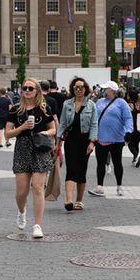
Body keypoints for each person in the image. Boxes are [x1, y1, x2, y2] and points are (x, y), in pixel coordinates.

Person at [5, 79, 56, 238]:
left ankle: (37, 225)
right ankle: (22, 211)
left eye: (30, 88)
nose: (27, 90)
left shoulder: (44, 108)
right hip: (22, 148)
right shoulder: (16, 109)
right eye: (25, 88)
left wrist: (44, 133)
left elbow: (53, 129)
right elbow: (8, 133)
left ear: (37, 91)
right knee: (22, 192)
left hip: (40, 148)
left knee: (37, 187)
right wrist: (21, 127)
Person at [54, 77, 97, 211]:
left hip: (85, 141)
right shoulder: (67, 104)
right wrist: (57, 143)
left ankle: (79, 200)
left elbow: (94, 125)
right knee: (71, 168)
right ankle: (69, 200)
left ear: (85, 89)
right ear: (72, 89)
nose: (78, 90)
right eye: (75, 87)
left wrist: (92, 142)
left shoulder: (91, 105)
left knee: (82, 170)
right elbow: (62, 123)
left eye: (81, 87)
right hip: (71, 140)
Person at [88, 80, 133, 197]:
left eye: (105, 89)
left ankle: (119, 186)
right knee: (100, 162)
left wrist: (128, 131)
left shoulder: (121, 103)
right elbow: (93, 117)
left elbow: (128, 118)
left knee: (117, 162)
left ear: (112, 90)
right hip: (101, 137)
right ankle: (99, 186)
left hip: (116, 138)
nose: (103, 91)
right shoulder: (99, 102)